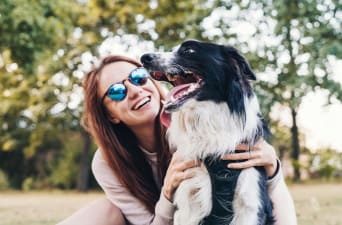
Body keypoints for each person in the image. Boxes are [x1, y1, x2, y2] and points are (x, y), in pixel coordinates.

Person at [57, 55, 297, 225]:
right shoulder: (107, 162)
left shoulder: (197, 121)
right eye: (117, 92)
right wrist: (168, 194)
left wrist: (273, 170)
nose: (135, 90)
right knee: (104, 211)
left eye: (138, 77)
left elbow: (250, 198)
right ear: (109, 114)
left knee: (264, 176)